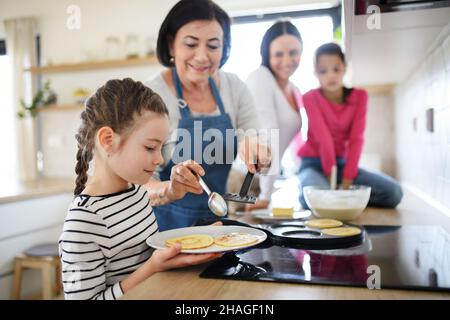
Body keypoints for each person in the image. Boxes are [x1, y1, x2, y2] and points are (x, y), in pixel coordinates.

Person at [59, 78, 221, 300]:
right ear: (108, 140)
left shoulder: (136, 192)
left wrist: (194, 245)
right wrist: (152, 267)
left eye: (161, 148)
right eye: (150, 147)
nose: (159, 159)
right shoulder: (84, 221)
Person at [146, 0, 270, 231]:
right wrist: (170, 189)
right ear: (171, 45)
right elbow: (140, 184)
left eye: (213, 46)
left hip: (220, 223)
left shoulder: (234, 87)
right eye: (191, 44)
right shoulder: (151, 96)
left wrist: (256, 147)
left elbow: (253, 135)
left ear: (225, 48)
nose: (202, 56)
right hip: (167, 229)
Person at [297, 42, 403, 209]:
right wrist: (332, 180)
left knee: (394, 193)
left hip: (343, 165)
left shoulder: (360, 97)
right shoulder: (310, 98)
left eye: (336, 69)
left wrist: (347, 179)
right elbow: (324, 140)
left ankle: (338, 198)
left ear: (345, 68)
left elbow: (356, 139)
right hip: (313, 163)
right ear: (316, 73)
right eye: (323, 71)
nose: (330, 75)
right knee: (316, 198)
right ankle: (338, 197)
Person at [231, 20, 303, 212]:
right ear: (267, 54)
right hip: (244, 181)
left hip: (264, 180)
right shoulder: (261, 77)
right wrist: (265, 195)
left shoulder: (293, 89)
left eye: (293, 52)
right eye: (279, 54)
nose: (287, 60)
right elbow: (269, 137)